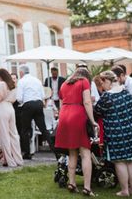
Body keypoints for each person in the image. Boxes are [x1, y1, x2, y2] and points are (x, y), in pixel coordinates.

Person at [95, 70, 132, 197]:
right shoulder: (126, 93)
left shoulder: (107, 96)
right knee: (130, 161)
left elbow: (97, 111)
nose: (101, 86)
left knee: (120, 162)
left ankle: (125, 190)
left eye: (102, 83)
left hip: (115, 132)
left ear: (106, 81)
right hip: (130, 131)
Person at [55, 66, 97, 196]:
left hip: (64, 116)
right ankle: (87, 187)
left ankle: (72, 183)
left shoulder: (64, 84)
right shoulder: (84, 81)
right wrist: (92, 120)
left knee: (72, 152)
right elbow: (87, 102)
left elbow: (61, 104)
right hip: (77, 115)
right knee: (85, 152)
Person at [16, 64, 50, 160]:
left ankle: (27, 153)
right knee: (43, 129)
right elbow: (43, 95)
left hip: (28, 105)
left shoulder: (21, 81)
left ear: (21, 72)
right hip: (39, 104)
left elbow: (19, 98)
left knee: (25, 129)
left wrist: (22, 102)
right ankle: (55, 151)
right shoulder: (37, 80)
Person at [0, 68, 23, 167]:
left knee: (4, 135)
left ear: (0, 76)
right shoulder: (13, 84)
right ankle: (18, 159)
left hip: (3, 108)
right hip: (11, 108)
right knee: (14, 134)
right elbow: (14, 100)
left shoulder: (1, 84)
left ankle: (9, 160)